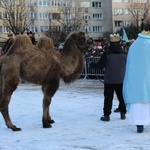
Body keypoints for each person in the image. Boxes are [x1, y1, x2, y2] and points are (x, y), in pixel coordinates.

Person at [90, 33, 127, 121]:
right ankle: (123, 113)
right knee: (122, 97)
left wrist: (92, 65)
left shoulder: (107, 54)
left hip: (109, 80)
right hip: (122, 79)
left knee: (108, 98)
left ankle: (107, 115)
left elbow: (100, 65)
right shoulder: (125, 53)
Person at [123, 31, 150, 133]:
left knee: (138, 105)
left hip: (136, 82)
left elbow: (130, 65)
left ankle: (140, 125)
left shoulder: (134, 47)